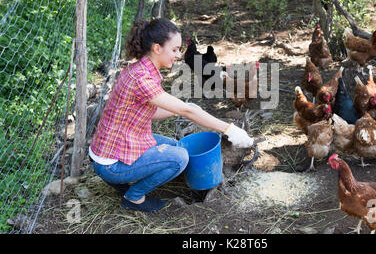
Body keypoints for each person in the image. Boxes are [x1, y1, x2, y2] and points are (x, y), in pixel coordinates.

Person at [89, 18, 254, 213]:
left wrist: (182, 107)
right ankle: (133, 197)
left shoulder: (141, 70)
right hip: (110, 163)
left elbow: (150, 112)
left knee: (177, 147)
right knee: (179, 157)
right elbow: (188, 112)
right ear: (157, 48)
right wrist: (229, 129)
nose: (178, 55)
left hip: (119, 145)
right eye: (174, 50)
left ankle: (127, 180)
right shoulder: (142, 78)